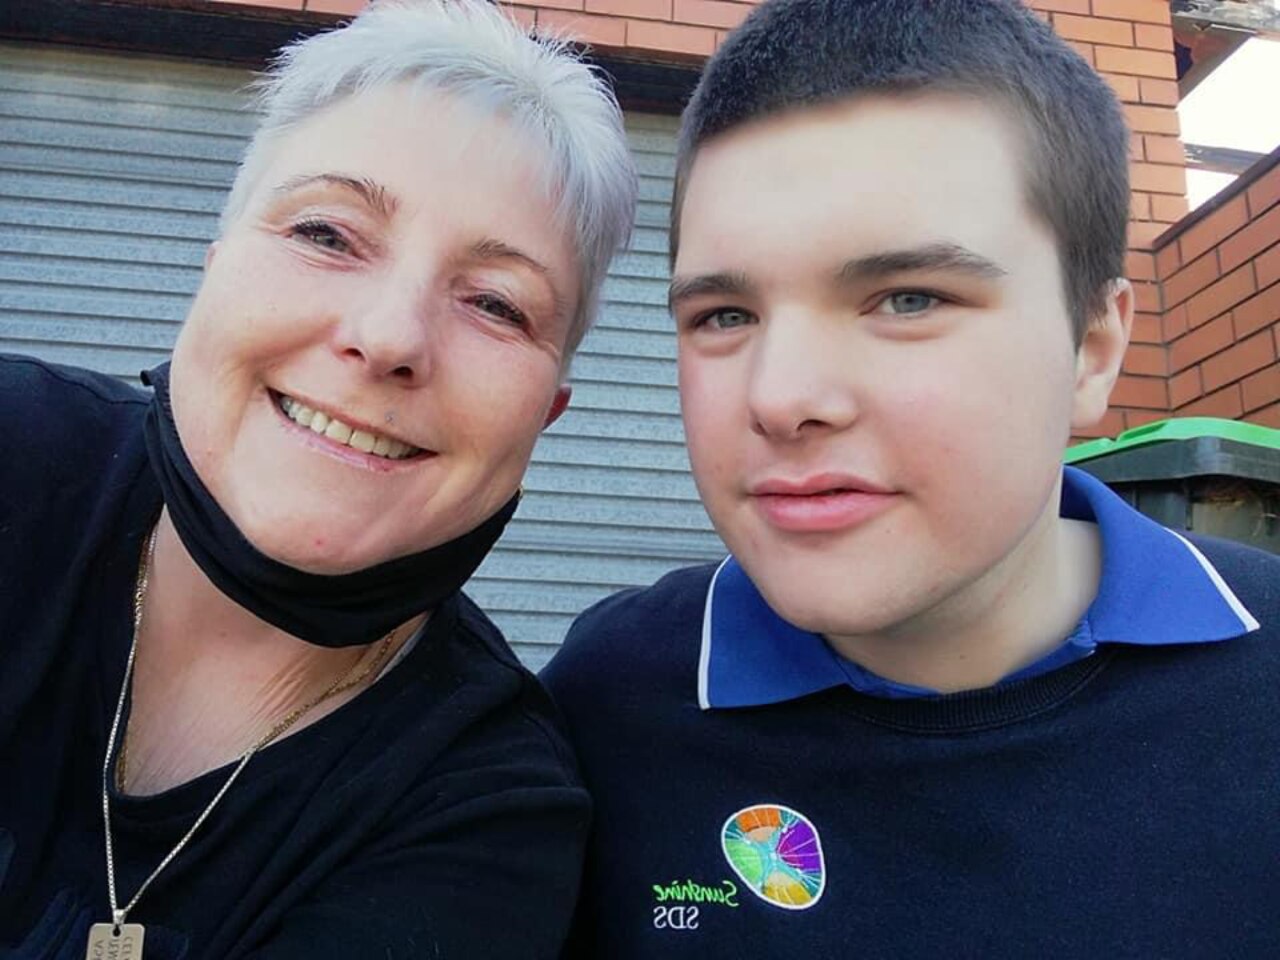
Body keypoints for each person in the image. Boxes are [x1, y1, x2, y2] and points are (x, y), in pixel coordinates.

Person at [541, 0, 1280, 956]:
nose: (781, 396)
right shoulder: (606, 705)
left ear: (1093, 349)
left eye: (907, 298)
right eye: (724, 314)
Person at [0, 1, 636, 956]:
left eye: (498, 303)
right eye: (327, 235)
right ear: (213, 273)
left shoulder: (492, 810)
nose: (388, 338)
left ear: (545, 416)